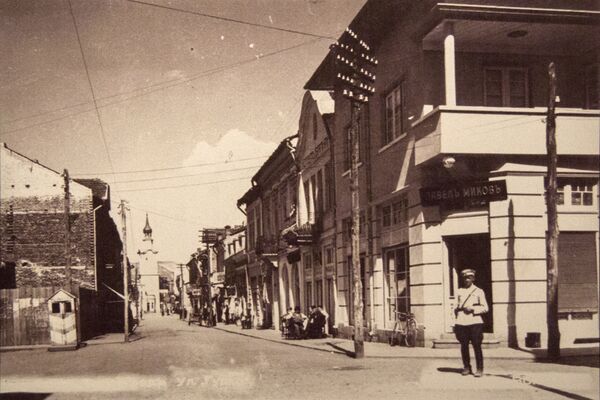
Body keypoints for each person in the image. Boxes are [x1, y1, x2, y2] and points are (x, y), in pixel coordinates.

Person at [454, 269, 489, 377]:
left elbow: (485, 308)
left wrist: (473, 309)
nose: (467, 280)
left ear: (473, 278)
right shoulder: (459, 291)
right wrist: (456, 319)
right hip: (461, 322)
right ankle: (466, 367)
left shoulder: (479, 291)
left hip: (475, 322)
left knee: (477, 346)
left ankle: (479, 368)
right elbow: (455, 307)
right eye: (465, 278)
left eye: (469, 277)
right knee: (464, 346)